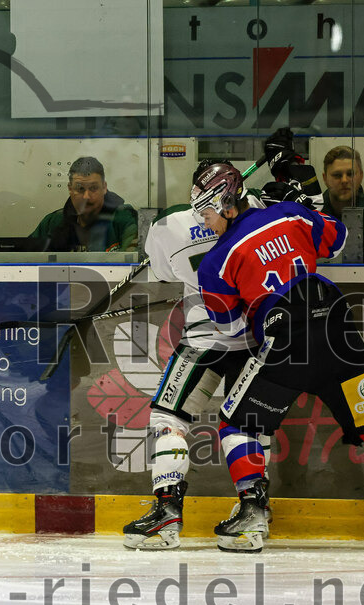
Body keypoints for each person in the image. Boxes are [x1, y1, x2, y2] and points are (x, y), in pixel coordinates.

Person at [192, 161, 364, 553]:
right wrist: (308, 205)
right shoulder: (290, 213)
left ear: (226, 203)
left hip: (286, 342)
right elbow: (338, 239)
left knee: (239, 426)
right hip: (338, 329)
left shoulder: (216, 261)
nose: (205, 222)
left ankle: (251, 518)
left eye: (207, 211)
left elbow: (231, 330)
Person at [122, 160, 271, 550]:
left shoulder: (167, 227)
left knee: (167, 416)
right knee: (244, 426)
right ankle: (253, 521)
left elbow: (164, 273)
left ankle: (167, 517)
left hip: (204, 337)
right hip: (254, 338)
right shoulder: (256, 210)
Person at [28, 156, 138, 252]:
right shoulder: (52, 223)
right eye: (80, 188)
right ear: (70, 189)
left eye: (93, 188)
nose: (86, 196)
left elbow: (135, 264)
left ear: (104, 188)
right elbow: (25, 260)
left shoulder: (124, 218)